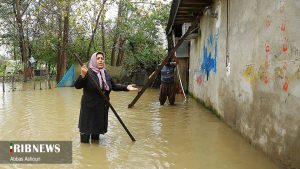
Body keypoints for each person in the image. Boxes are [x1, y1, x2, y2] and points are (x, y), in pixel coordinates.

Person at [74, 51, 138, 143]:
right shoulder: (88, 73)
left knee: (96, 139)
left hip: (101, 109)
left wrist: (126, 87)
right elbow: (77, 86)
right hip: (89, 110)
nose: (100, 61)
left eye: (102, 58)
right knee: (85, 141)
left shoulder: (105, 74)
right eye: (98, 58)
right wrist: (82, 75)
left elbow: (114, 86)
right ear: (93, 61)